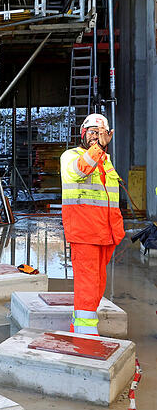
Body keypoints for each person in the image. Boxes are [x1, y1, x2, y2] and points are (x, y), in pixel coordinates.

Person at [60, 113, 123, 335]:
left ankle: (80, 324)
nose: (96, 137)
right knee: (87, 284)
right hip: (84, 231)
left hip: (105, 233)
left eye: (101, 133)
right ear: (83, 134)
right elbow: (79, 171)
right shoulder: (70, 156)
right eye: (92, 133)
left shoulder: (105, 161)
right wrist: (98, 150)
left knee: (97, 284)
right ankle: (85, 335)